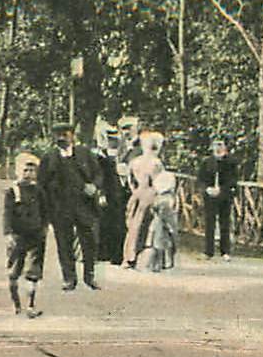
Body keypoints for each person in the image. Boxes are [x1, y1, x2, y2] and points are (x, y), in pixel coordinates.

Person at [36, 121, 105, 291]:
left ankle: (89, 276)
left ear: (72, 136)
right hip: (60, 207)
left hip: (84, 205)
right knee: (64, 243)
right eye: (58, 135)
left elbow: (98, 173)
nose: (61, 138)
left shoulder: (85, 153)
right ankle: (69, 278)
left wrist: (94, 186)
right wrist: (45, 210)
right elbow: (41, 185)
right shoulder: (49, 157)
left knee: (89, 242)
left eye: (65, 135)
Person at [3, 153, 47, 318]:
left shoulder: (39, 190)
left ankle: (30, 305)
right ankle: (16, 304)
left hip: (35, 235)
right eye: (25, 170)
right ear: (18, 171)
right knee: (14, 272)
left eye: (32, 170)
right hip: (18, 235)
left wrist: (44, 228)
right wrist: (8, 233)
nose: (28, 174)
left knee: (33, 272)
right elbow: (7, 213)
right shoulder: (13, 191)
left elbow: (45, 211)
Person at [123, 129, 166, 268]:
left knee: (134, 225)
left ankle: (129, 256)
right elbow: (159, 181)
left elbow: (129, 180)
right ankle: (144, 258)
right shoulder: (156, 163)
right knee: (148, 226)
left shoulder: (134, 162)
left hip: (137, 194)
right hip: (150, 193)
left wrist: (134, 191)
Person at [198, 134, 240, 260]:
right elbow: (200, 179)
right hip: (210, 196)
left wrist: (222, 190)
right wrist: (207, 189)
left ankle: (225, 252)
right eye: (215, 145)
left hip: (225, 196)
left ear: (225, 146)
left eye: (220, 144)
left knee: (225, 223)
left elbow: (233, 180)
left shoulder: (231, 162)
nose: (218, 147)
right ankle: (208, 251)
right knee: (209, 223)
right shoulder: (206, 162)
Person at [95, 124, 128, 264]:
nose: (113, 141)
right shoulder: (99, 156)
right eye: (110, 139)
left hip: (119, 193)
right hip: (108, 193)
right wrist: (101, 193)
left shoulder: (121, 154)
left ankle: (116, 254)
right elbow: (98, 176)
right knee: (105, 222)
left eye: (115, 139)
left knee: (118, 223)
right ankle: (104, 253)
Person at [144, 169, 180, 271]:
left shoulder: (158, 178)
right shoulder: (171, 183)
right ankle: (161, 263)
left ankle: (158, 263)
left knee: (159, 236)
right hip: (166, 207)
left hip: (159, 205)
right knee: (166, 236)